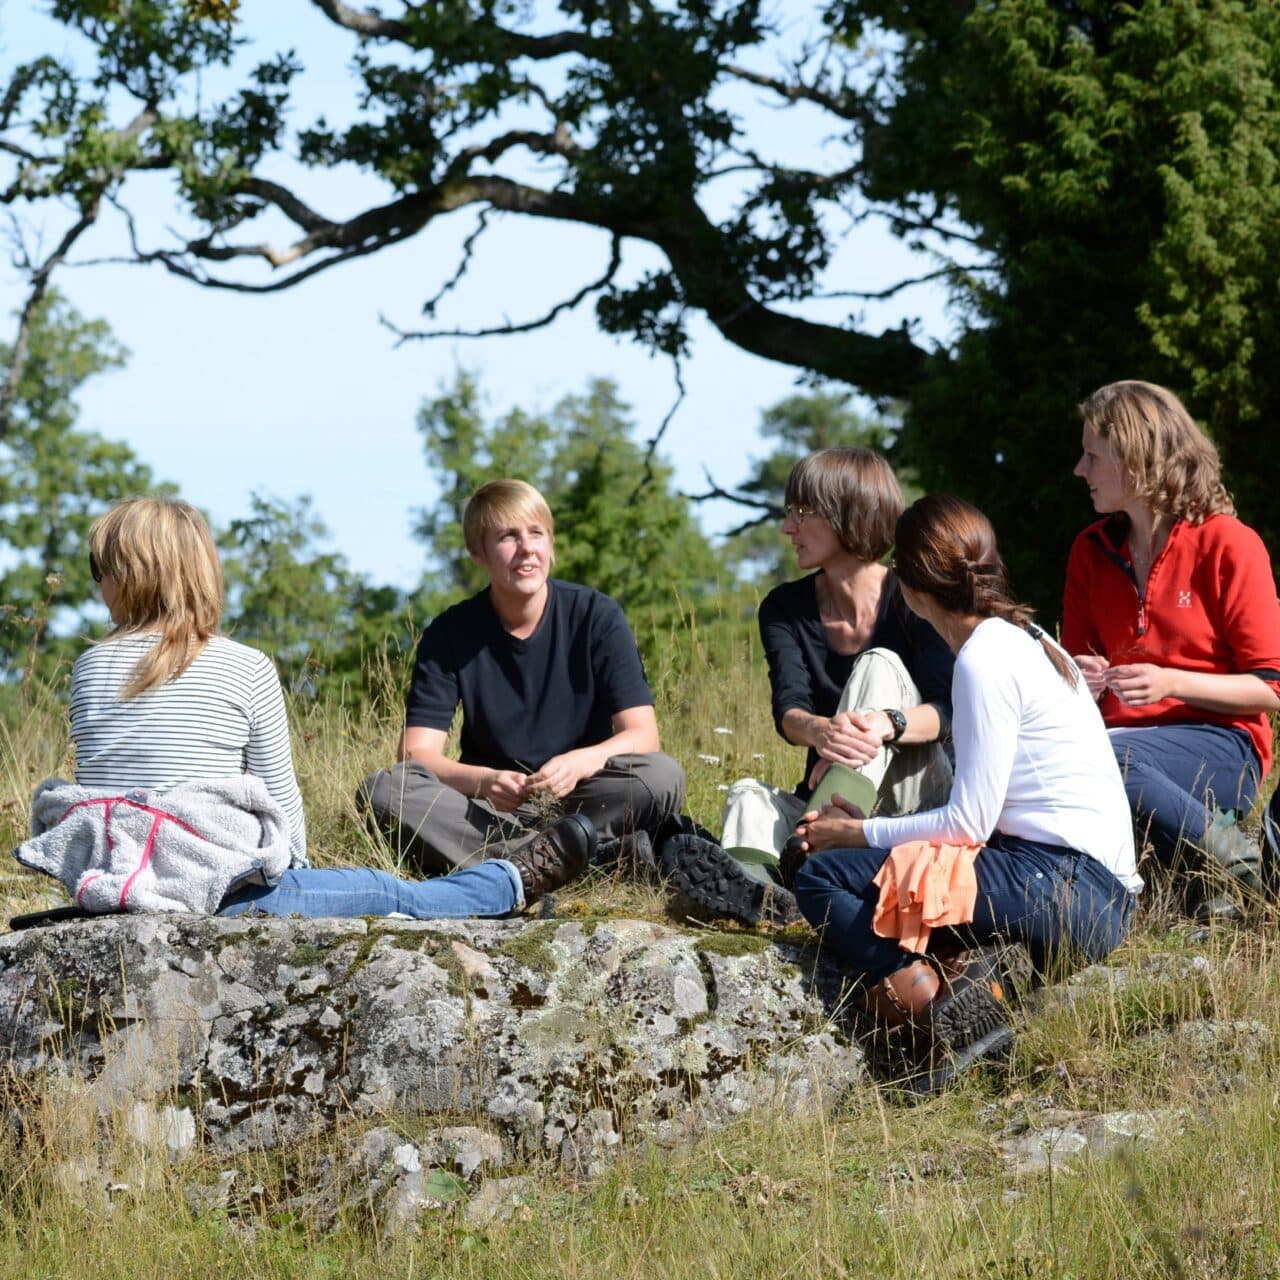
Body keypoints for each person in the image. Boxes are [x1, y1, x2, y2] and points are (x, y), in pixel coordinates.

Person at [14, 497, 593, 924]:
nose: (96, 587)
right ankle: (506, 882)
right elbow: (281, 803)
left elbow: (108, 792)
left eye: (99, 572)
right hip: (224, 890)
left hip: (119, 885)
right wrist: (297, 875)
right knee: (387, 894)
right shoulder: (244, 667)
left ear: (131, 577)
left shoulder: (90, 668)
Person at [792, 495, 1141, 1093]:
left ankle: (933, 1011)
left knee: (818, 877)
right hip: (1097, 894)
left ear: (909, 583)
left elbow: (968, 824)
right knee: (888, 879)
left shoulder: (982, 658)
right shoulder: (1030, 638)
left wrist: (858, 833)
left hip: (1063, 883)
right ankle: (976, 980)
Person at [661, 448, 954, 927]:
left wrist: (886, 723)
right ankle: (760, 898)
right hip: (827, 796)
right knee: (747, 794)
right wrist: (823, 732)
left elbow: (947, 712)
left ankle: (806, 853)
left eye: (802, 513)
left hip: (916, 797)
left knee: (878, 664)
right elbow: (789, 711)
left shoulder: (915, 594)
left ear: (848, 514)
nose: (787, 529)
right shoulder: (784, 606)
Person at [360, 479, 684, 879]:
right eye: (508, 537)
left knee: (662, 776)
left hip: (582, 798)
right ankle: (583, 858)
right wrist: (485, 781)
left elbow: (643, 736)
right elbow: (415, 755)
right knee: (385, 790)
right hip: (490, 810)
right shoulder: (449, 633)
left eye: (537, 533)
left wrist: (582, 762)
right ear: (477, 553)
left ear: (550, 544)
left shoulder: (597, 616)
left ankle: (524, 861)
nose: (527, 548)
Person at [1062, 380, 1280, 915]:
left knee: (1103, 758)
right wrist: (1077, 677)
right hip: (1115, 743)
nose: (1079, 470)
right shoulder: (1089, 552)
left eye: (1093, 456)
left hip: (1223, 747)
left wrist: (1170, 682)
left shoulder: (1229, 543)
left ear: (1136, 460)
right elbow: (1070, 681)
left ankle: (1243, 869)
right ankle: (1191, 878)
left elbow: (1269, 688)